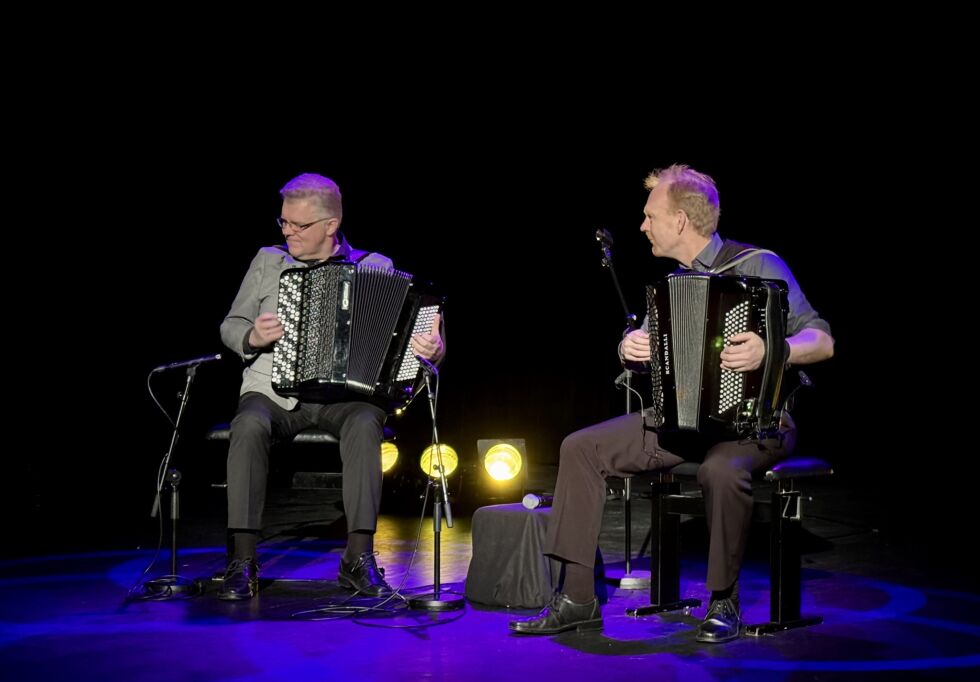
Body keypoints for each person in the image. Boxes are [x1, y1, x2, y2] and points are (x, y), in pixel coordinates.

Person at [509, 164, 833, 641]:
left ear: (679, 221)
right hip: (685, 425)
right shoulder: (672, 285)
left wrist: (773, 350)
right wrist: (629, 347)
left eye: (649, 215)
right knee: (580, 448)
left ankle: (724, 601)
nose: (643, 226)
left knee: (719, 470)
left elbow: (823, 341)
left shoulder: (759, 265)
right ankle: (577, 598)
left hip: (757, 424)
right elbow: (649, 351)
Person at [217, 173, 444, 600]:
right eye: (283, 222)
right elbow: (232, 325)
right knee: (247, 426)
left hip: (345, 398)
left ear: (330, 225)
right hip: (274, 392)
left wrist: (433, 346)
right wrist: (253, 338)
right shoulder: (268, 262)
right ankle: (242, 559)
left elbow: (421, 337)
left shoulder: (375, 267)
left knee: (365, 421)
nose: (286, 232)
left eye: (297, 225)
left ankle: (357, 558)